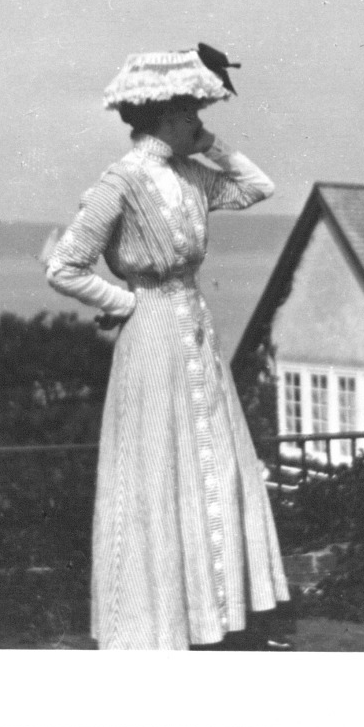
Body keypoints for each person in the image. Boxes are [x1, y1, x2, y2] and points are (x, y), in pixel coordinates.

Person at [44, 47, 290, 650]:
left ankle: (208, 614)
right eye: (191, 114)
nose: (198, 121)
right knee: (157, 464)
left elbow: (258, 187)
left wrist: (212, 144)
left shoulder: (191, 175)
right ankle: (153, 622)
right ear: (165, 116)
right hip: (151, 330)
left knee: (203, 458)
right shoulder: (120, 181)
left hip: (194, 328)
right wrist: (123, 304)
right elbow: (64, 265)